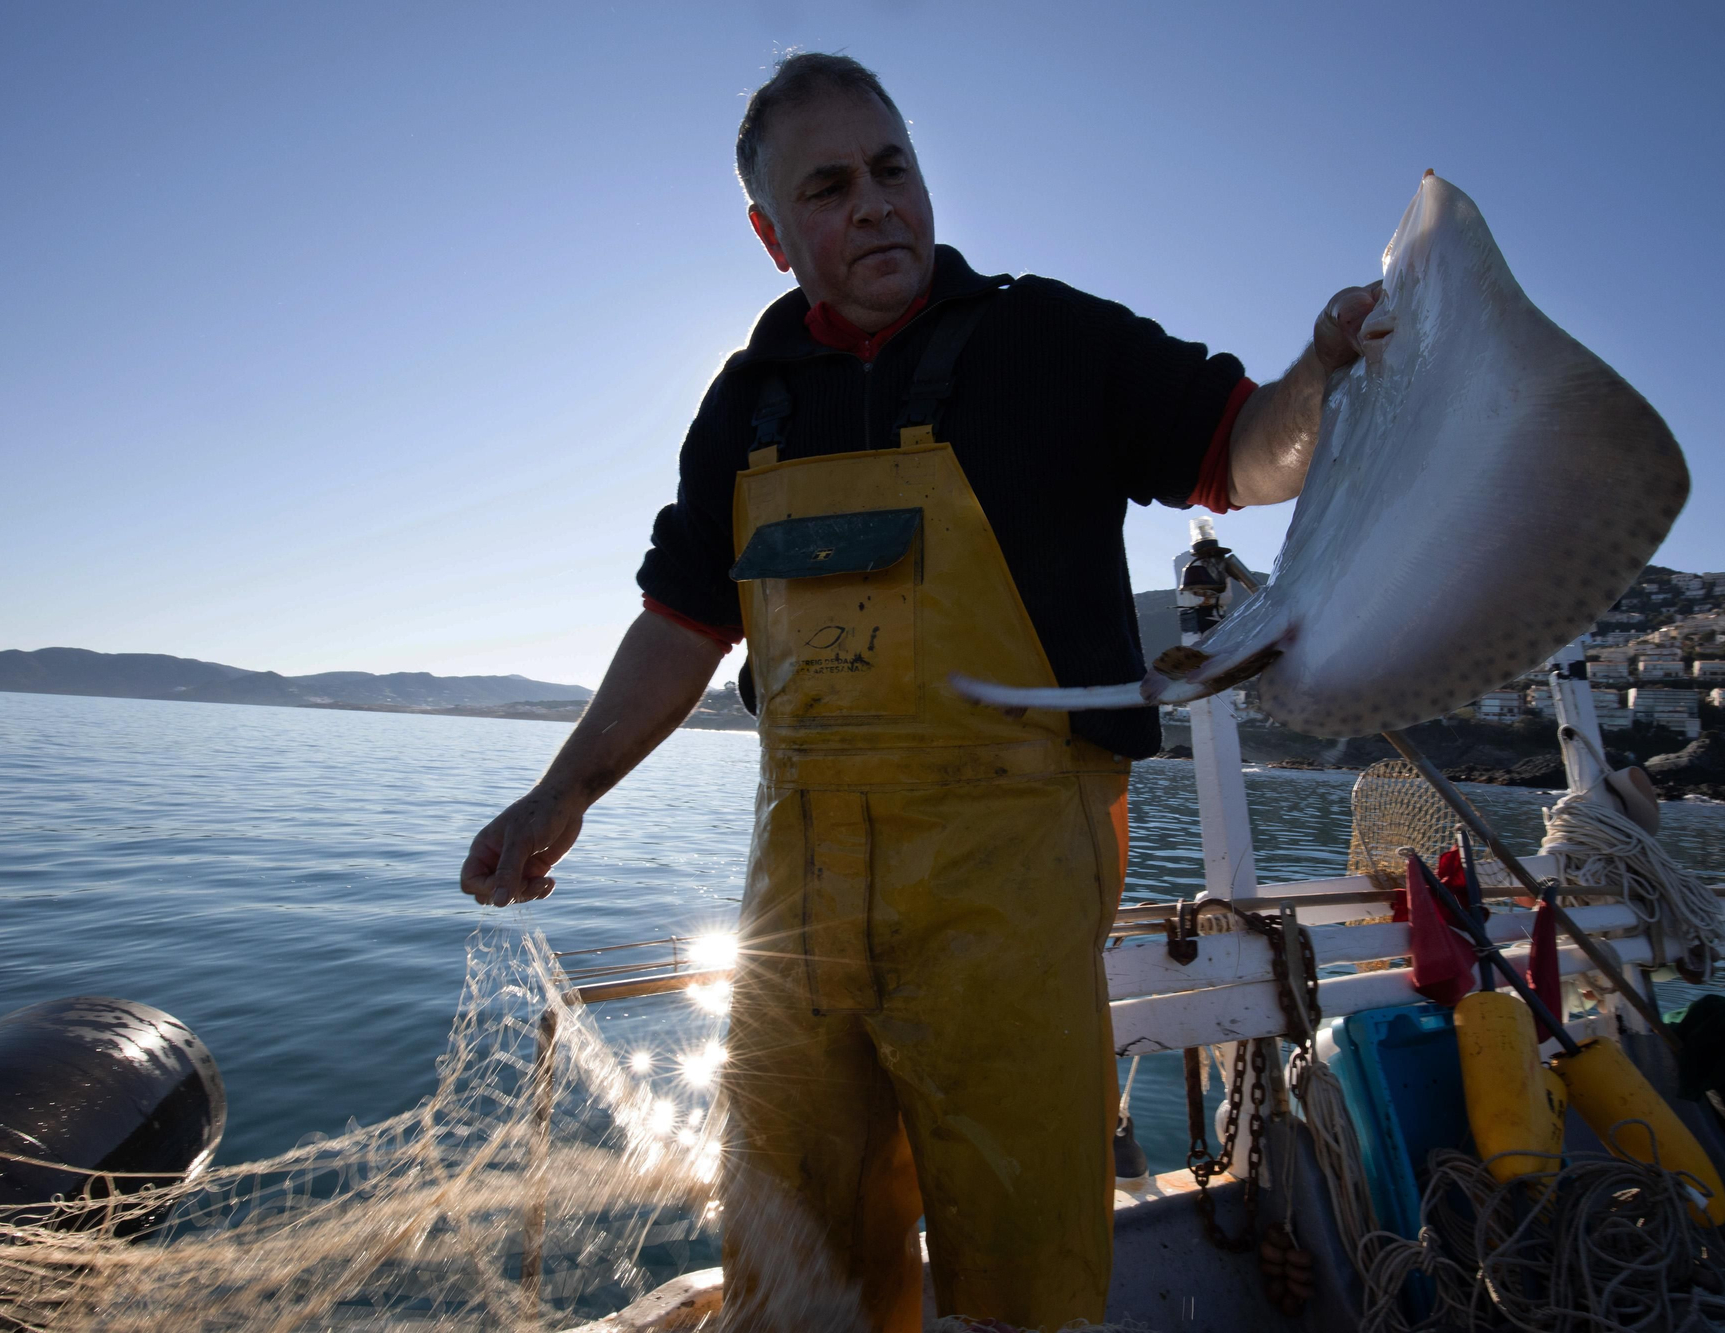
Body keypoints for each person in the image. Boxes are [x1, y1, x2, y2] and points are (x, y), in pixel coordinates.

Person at [461, 52, 1376, 1333]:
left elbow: (1245, 448)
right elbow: (681, 623)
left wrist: (1323, 378)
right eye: (829, 187)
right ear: (770, 233)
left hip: (1012, 885)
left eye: (893, 168)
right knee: (796, 1253)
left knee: (1024, 1265)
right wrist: (564, 791)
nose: (877, 202)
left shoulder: (1052, 339)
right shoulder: (742, 403)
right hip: (799, 895)